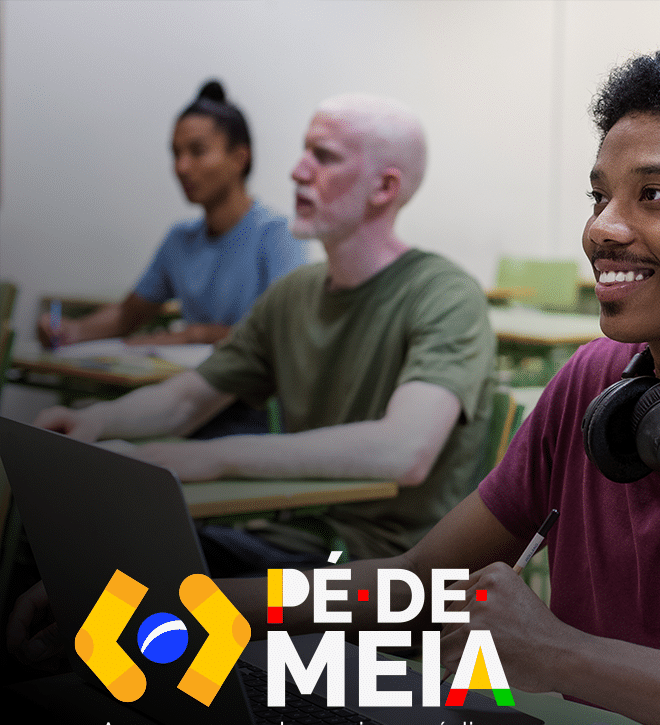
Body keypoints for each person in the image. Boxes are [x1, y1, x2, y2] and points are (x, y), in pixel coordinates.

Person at [11, 47, 660, 725]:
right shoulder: (594, 387)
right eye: (600, 194)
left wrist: (564, 658)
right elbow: (416, 588)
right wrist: (183, 608)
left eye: (656, 195)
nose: (603, 226)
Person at [30, 93, 495, 567]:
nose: (297, 171)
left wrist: (215, 457)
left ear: (384, 187)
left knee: (157, 592)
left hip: (382, 574)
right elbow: (189, 399)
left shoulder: (446, 295)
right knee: (85, 555)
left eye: (324, 156)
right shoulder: (293, 294)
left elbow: (405, 450)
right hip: (292, 538)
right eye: (304, 151)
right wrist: (95, 422)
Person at [37, 81, 306, 349]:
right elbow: (126, 316)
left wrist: (195, 336)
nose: (181, 167)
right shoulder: (180, 240)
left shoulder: (279, 236)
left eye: (197, 151)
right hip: (191, 384)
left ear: (239, 158)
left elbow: (284, 333)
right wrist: (72, 330)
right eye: (176, 154)